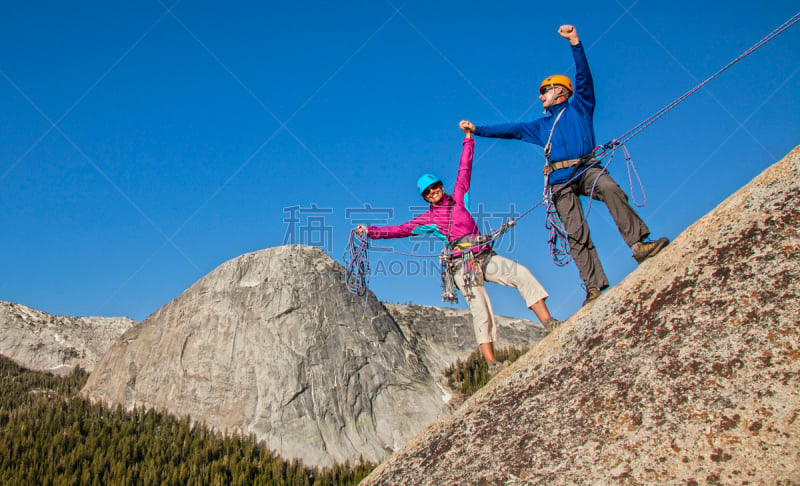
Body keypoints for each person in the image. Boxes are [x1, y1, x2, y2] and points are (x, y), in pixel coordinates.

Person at [460, 24, 668, 306]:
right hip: (559, 181)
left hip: (586, 169)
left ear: (560, 91)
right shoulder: (540, 125)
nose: (540, 96)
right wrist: (479, 129)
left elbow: (584, 78)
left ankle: (639, 244)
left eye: (544, 91)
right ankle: (593, 285)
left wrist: (575, 43)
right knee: (575, 231)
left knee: (610, 188)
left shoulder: (580, 106)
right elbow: (511, 129)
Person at [355, 124, 561, 374]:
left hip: (483, 255)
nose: (433, 192)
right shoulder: (427, 220)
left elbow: (465, 169)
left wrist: (468, 139)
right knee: (480, 309)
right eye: (428, 192)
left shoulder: (460, 196)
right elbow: (400, 229)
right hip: (461, 265)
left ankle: (548, 322)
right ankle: (492, 363)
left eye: (435, 187)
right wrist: (371, 231)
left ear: (441, 186)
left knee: (521, 274)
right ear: (424, 197)